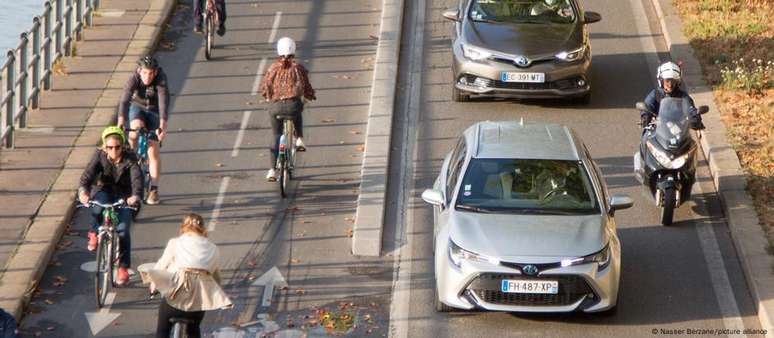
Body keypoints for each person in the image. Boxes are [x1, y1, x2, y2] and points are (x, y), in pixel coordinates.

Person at [140, 214, 232, 338]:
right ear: (203, 229)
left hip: (175, 296)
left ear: (183, 227)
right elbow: (215, 277)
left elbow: (161, 265)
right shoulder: (213, 248)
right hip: (198, 299)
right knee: (194, 329)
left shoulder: (175, 242)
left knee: (162, 330)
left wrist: (153, 284)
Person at [79, 126, 143, 285]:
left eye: (117, 147)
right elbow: (87, 176)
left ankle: (122, 268)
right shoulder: (99, 156)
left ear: (123, 146)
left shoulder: (130, 159)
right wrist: (83, 193)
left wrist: (135, 196)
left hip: (124, 196)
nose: (113, 151)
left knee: (122, 231)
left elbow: (137, 179)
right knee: (98, 207)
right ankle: (94, 232)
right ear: (104, 147)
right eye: (110, 147)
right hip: (104, 190)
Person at [259, 37, 316, 181]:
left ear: (278, 52)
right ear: (293, 51)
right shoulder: (298, 68)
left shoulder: (272, 68)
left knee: (276, 135)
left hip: (275, 107)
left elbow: (265, 87)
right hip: (293, 106)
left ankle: (272, 170)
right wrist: (309, 97)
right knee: (298, 109)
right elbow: (306, 86)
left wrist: (267, 97)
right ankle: (300, 139)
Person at [117, 55, 169, 205]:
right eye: (145, 73)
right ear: (139, 70)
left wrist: (162, 127)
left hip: (154, 110)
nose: (147, 77)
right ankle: (132, 158)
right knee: (134, 132)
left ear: (155, 72)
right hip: (137, 107)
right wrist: (121, 121)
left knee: (153, 150)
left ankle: (153, 188)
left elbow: (164, 102)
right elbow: (125, 100)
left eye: (151, 73)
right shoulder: (133, 78)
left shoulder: (161, 79)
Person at [641, 61, 705, 129]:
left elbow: (691, 109)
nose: (670, 85)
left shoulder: (683, 96)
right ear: (661, 81)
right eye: (667, 81)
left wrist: (695, 118)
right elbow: (647, 105)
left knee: (689, 139)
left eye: (673, 81)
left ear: (678, 82)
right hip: (657, 130)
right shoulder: (655, 94)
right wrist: (645, 116)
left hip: (678, 130)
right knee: (647, 137)